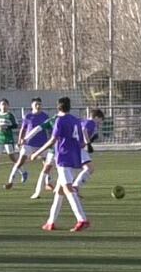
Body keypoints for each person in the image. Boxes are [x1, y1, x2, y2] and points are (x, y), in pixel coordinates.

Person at [33, 97, 90, 232]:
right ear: (70, 107)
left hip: (63, 158)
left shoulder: (60, 120)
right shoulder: (76, 121)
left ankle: (82, 219)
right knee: (59, 191)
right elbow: (82, 142)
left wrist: (37, 152)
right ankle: (50, 222)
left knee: (67, 189)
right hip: (74, 157)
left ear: (58, 108)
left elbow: (53, 140)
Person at [7, 98, 53, 197]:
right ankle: (11, 181)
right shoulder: (28, 116)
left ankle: (47, 183)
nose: (38, 106)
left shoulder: (45, 116)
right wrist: (20, 140)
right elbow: (23, 129)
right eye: (36, 104)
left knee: (47, 164)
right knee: (20, 161)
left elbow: (50, 129)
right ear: (32, 105)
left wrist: (51, 140)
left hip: (42, 144)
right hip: (29, 143)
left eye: (40, 104)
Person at [74, 108, 105, 189]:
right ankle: (75, 188)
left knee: (76, 169)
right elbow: (84, 129)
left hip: (75, 148)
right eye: (101, 119)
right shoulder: (91, 123)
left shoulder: (85, 121)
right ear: (96, 117)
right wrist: (88, 144)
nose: (101, 122)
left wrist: (90, 140)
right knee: (89, 168)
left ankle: (73, 188)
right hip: (77, 148)